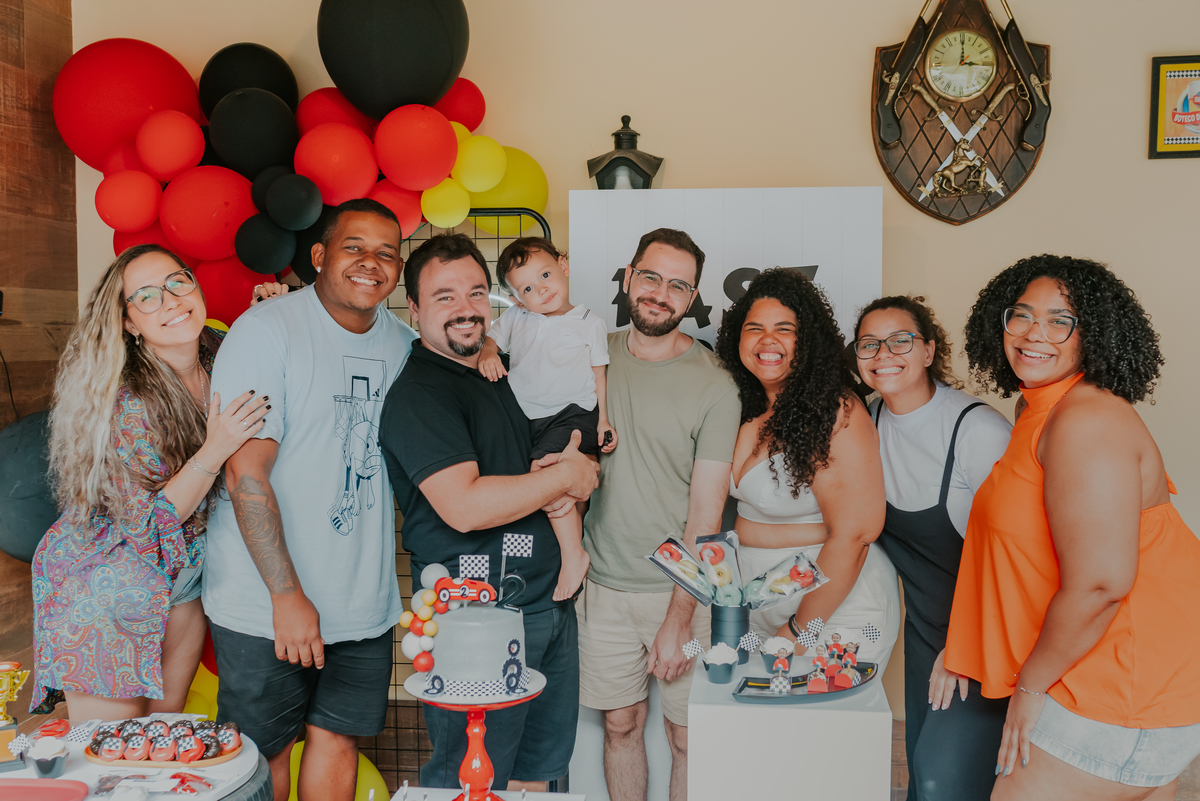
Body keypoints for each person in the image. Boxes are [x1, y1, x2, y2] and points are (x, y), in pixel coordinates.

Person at [945, 255, 1200, 800]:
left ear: (1096, 335)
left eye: (1061, 320)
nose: (1036, 333)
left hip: (1119, 689)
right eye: (1022, 315)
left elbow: (1102, 582)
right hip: (1117, 682)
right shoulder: (1039, 410)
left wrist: (1029, 690)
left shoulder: (1087, 420)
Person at [202, 199, 417, 801]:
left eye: (387, 253)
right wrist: (286, 595)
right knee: (260, 757)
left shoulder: (403, 346)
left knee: (337, 741)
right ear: (320, 255)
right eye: (354, 247)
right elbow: (246, 474)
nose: (371, 263)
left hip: (361, 602)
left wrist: (480, 353)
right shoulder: (267, 332)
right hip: (267, 603)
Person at [379, 233, 599, 793]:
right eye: (445, 296)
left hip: (547, 607)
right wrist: (566, 476)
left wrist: (568, 473)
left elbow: (530, 462)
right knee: (472, 781)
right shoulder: (420, 394)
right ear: (415, 308)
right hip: (474, 626)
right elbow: (465, 506)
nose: (466, 308)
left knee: (538, 777)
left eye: (477, 293)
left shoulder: (492, 373)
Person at [30, 244, 268, 722]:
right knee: (107, 749)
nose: (172, 300)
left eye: (178, 281)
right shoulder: (124, 399)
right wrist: (215, 447)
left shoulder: (219, 351)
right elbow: (148, 523)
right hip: (106, 579)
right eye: (147, 296)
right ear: (129, 322)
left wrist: (268, 317)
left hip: (183, 573)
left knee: (160, 734)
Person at [579, 228, 740, 801]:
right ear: (628, 277)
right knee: (620, 726)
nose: (660, 293)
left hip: (682, 593)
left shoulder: (718, 384)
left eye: (678, 285)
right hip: (604, 586)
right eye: (651, 277)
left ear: (693, 298)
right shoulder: (590, 356)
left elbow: (706, 512)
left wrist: (678, 617)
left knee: (686, 737)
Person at [853, 295, 1012, 801]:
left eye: (901, 339)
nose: (884, 353)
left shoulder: (977, 430)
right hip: (925, 633)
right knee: (923, 779)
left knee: (947, 780)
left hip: (986, 633)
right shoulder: (865, 424)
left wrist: (963, 647)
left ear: (928, 351)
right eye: (869, 344)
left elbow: (1014, 561)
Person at [713, 268, 901, 668]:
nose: (768, 340)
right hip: (760, 603)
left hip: (834, 607)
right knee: (769, 726)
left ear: (807, 340)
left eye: (785, 328)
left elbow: (856, 534)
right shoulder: (744, 405)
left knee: (822, 727)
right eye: (754, 328)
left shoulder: (835, 408)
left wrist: (800, 630)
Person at [478, 236, 617, 601]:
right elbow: (491, 341)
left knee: (545, 476)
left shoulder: (590, 322)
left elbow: (600, 376)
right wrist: (488, 354)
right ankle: (565, 548)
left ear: (564, 266)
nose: (541, 290)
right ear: (516, 298)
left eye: (546, 275)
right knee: (552, 487)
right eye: (527, 288)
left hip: (572, 413)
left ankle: (574, 555)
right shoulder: (516, 317)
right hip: (529, 417)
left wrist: (603, 421)